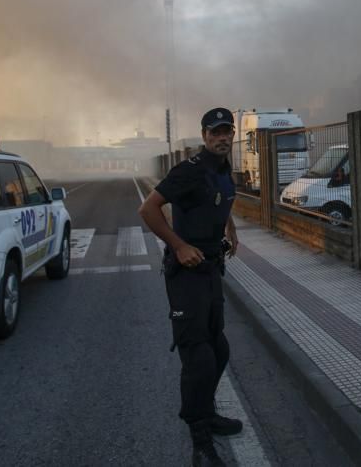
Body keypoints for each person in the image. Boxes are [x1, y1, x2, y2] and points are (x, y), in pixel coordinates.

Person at [139, 108, 241, 467]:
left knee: (220, 349)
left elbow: (219, 198)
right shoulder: (189, 170)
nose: (222, 137)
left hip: (212, 269)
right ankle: (199, 444)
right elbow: (148, 209)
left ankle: (208, 413)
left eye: (227, 131)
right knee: (198, 358)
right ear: (204, 135)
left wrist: (230, 227)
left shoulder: (224, 170)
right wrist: (179, 246)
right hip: (186, 274)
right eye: (215, 132)